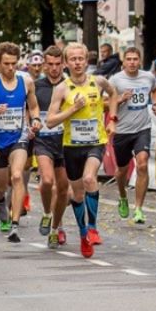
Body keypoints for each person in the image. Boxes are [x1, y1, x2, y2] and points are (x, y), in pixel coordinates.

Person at [46, 42, 118, 258]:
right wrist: (72, 109)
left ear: (87, 61)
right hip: (71, 146)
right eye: (73, 59)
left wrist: (112, 119)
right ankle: (83, 232)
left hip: (95, 142)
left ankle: (94, 227)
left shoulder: (99, 81)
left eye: (81, 59)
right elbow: (50, 121)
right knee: (76, 194)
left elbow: (114, 95)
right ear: (67, 63)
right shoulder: (62, 88)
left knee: (89, 179)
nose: (77, 63)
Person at [0, 42, 41, 242]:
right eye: (6, 63)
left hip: (19, 138)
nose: (10, 68)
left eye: (14, 63)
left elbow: (33, 107)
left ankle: (14, 224)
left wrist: (37, 120)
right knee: (0, 184)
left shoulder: (26, 81)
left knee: (16, 177)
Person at [109, 47, 156, 224]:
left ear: (140, 61)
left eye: (135, 59)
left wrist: (155, 104)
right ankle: (123, 196)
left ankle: (138, 208)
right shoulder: (115, 80)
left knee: (143, 164)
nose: (132, 62)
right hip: (122, 131)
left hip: (142, 128)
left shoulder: (148, 77)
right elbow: (103, 102)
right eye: (128, 59)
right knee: (122, 170)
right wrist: (121, 99)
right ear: (123, 62)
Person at [34, 46, 70, 248]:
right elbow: (30, 109)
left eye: (58, 64)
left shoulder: (69, 85)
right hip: (43, 141)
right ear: (44, 65)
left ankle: (56, 229)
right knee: (47, 181)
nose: (54, 68)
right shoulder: (37, 86)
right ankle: (47, 213)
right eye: (50, 64)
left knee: (64, 189)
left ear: (63, 64)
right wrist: (33, 123)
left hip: (65, 142)